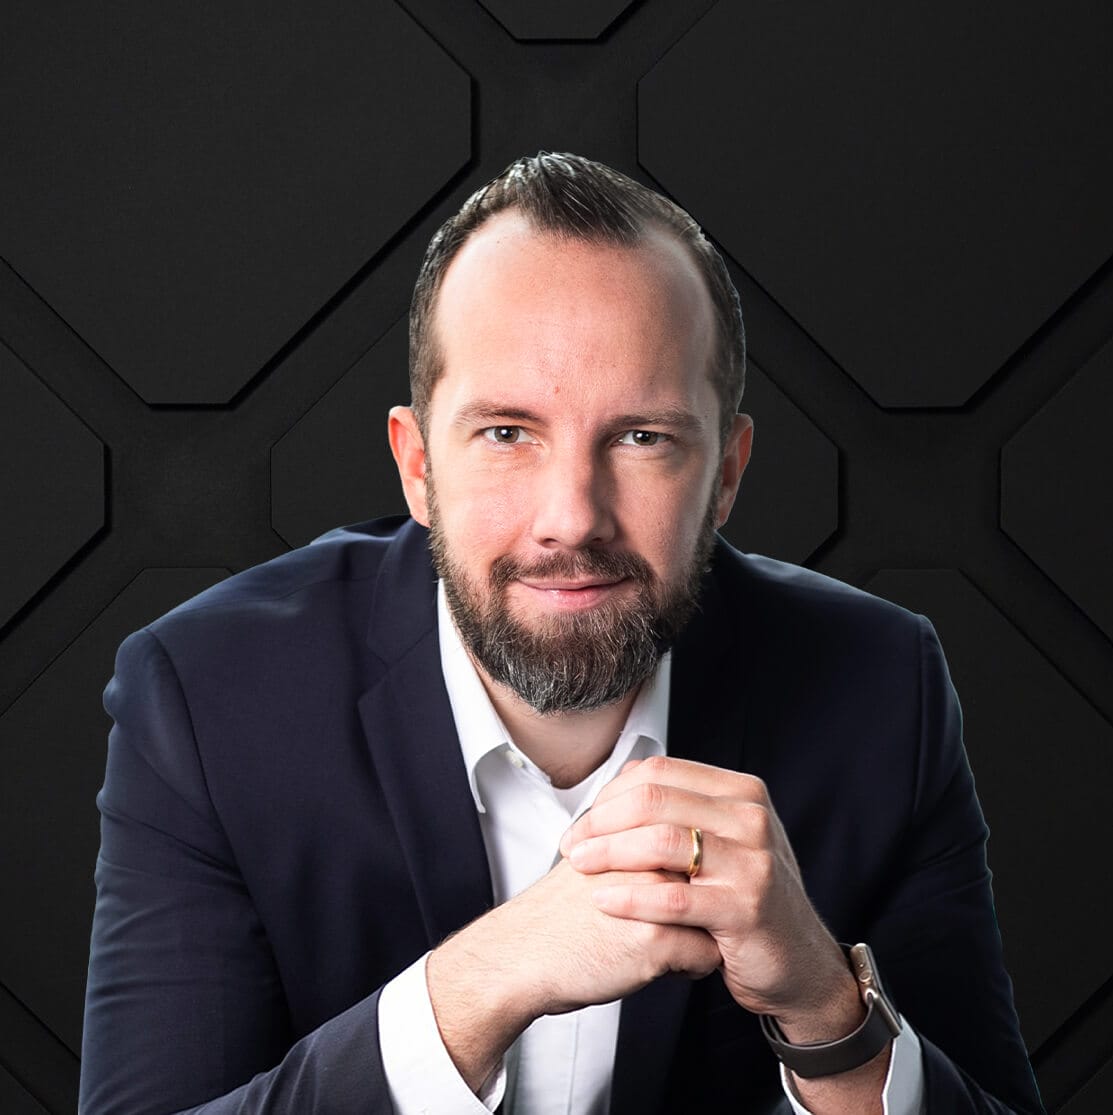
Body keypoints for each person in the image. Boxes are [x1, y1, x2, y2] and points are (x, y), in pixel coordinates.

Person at [79, 153, 1044, 1114]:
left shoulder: (883, 688)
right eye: (506, 433)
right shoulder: (205, 694)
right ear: (416, 465)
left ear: (727, 475)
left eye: (641, 438)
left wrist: (828, 1009)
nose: (571, 517)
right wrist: (476, 988)